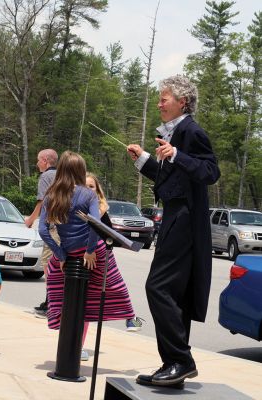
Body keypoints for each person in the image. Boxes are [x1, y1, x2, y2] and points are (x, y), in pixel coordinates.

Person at [127, 75, 220, 388]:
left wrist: (177, 155)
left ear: (182, 101)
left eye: (164, 98)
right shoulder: (173, 135)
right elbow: (170, 179)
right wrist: (143, 160)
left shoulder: (191, 131)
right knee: (174, 295)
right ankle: (173, 366)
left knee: (158, 288)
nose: (159, 103)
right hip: (173, 219)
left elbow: (210, 171)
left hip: (184, 222)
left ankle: (181, 359)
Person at [38, 151, 138, 363]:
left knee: (56, 287)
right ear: (80, 171)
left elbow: (43, 231)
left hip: (68, 254)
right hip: (93, 252)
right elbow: (95, 224)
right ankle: (130, 318)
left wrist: (61, 254)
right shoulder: (88, 195)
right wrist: (90, 250)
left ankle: (58, 322)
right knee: (112, 284)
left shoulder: (51, 195)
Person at [86, 172, 143, 332]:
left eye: (91, 186)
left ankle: (130, 318)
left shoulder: (100, 207)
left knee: (116, 286)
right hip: (83, 254)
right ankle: (77, 346)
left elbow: (107, 232)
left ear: (98, 191)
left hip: (101, 254)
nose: (88, 189)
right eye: (84, 186)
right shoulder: (77, 205)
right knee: (84, 300)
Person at [25, 149, 59, 318]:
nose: (37, 163)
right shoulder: (65, 175)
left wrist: (30, 219)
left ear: (45, 160)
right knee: (58, 267)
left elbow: (42, 201)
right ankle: (52, 303)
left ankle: (50, 305)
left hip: (53, 229)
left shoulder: (46, 177)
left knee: (48, 266)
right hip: (66, 229)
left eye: (39, 160)